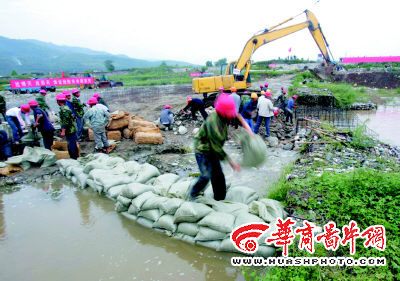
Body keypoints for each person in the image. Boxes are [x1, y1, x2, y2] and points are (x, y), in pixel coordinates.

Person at [189, 94, 253, 201]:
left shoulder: (225, 114)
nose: (231, 115)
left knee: (218, 175)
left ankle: (220, 199)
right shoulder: (213, 123)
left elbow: (237, 115)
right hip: (203, 150)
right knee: (206, 175)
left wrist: (249, 130)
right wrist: (232, 163)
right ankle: (193, 194)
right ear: (223, 113)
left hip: (213, 148)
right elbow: (217, 149)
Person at [57, 93, 79, 159]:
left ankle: (73, 158)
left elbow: (65, 121)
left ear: (58, 101)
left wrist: (63, 131)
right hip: (71, 129)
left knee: (71, 145)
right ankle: (75, 157)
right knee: (73, 143)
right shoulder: (66, 108)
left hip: (70, 130)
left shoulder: (64, 109)